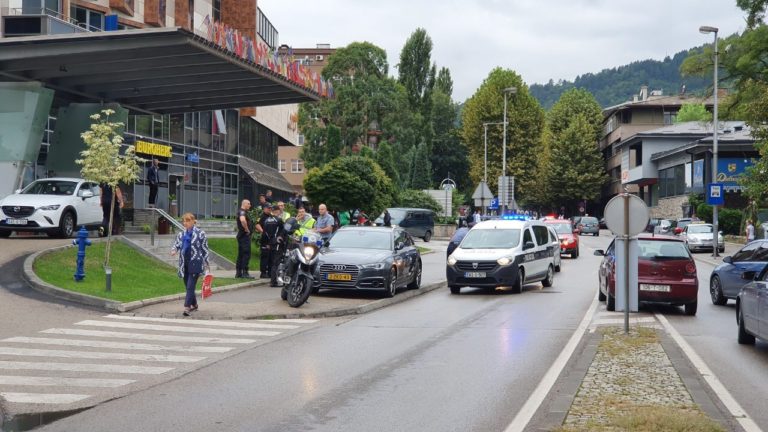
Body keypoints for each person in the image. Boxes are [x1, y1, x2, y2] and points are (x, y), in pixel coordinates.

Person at [171, 213, 210, 316]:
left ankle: (187, 307)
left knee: (190, 286)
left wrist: (206, 265)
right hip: (184, 264)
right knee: (188, 286)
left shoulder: (201, 234)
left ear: (193, 221)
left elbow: (205, 250)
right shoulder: (181, 234)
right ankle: (195, 305)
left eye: (187, 221)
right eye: (184, 221)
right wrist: (174, 250)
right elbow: (176, 244)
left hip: (195, 263)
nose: (185, 223)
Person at [260, 204, 284, 287]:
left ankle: (272, 280)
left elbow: (265, 233)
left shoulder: (266, 220)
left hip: (270, 243)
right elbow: (284, 231)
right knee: (275, 263)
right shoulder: (278, 220)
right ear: (278, 211)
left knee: (272, 262)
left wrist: (267, 243)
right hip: (277, 243)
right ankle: (274, 282)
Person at [235, 199, 254, 279]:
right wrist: (247, 229)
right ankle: (244, 272)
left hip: (242, 236)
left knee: (241, 254)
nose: (250, 205)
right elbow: (243, 220)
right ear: (244, 204)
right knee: (246, 254)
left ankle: (239, 273)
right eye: (248, 204)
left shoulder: (241, 211)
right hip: (244, 236)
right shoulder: (242, 212)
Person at [255, 204, 273, 279]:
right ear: (264, 209)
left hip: (271, 239)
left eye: (270, 208)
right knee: (265, 257)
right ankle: (263, 273)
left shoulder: (271, 216)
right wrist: (263, 231)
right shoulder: (262, 216)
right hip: (265, 240)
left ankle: (269, 272)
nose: (269, 210)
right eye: (268, 208)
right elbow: (257, 225)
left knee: (270, 257)